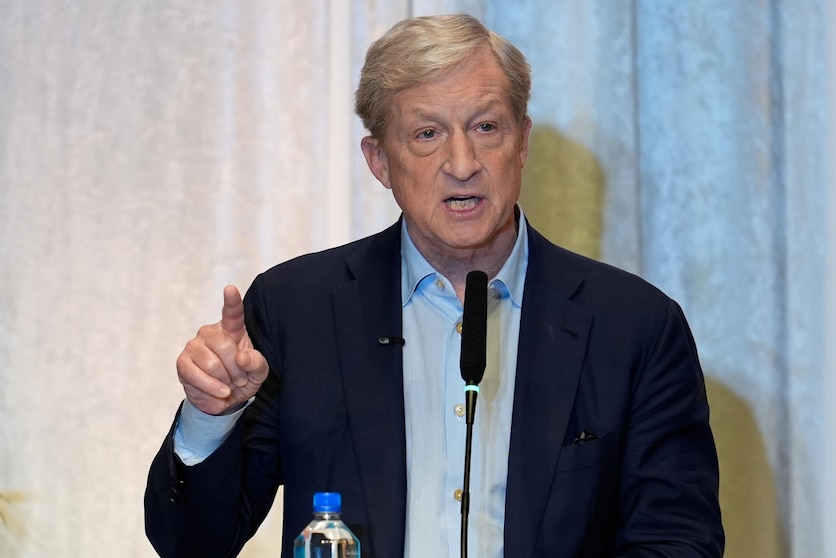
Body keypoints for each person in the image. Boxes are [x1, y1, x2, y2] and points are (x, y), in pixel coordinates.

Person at [144, 13, 724, 558]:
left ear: (522, 142)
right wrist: (210, 418)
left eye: (486, 127)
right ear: (379, 161)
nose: (463, 163)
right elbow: (194, 545)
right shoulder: (296, 310)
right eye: (427, 133)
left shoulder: (635, 327)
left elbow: (678, 539)